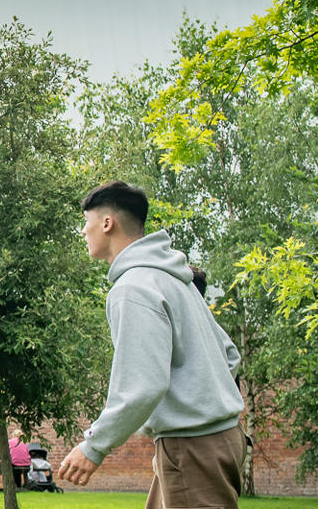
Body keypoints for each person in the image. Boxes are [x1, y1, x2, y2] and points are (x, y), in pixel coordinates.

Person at [59, 181, 244, 509]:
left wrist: (93, 447)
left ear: (106, 223)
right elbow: (229, 354)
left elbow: (142, 384)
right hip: (214, 440)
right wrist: (205, 401)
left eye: (85, 222)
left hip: (193, 447)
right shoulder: (174, 278)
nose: (83, 232)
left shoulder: (133, 287)